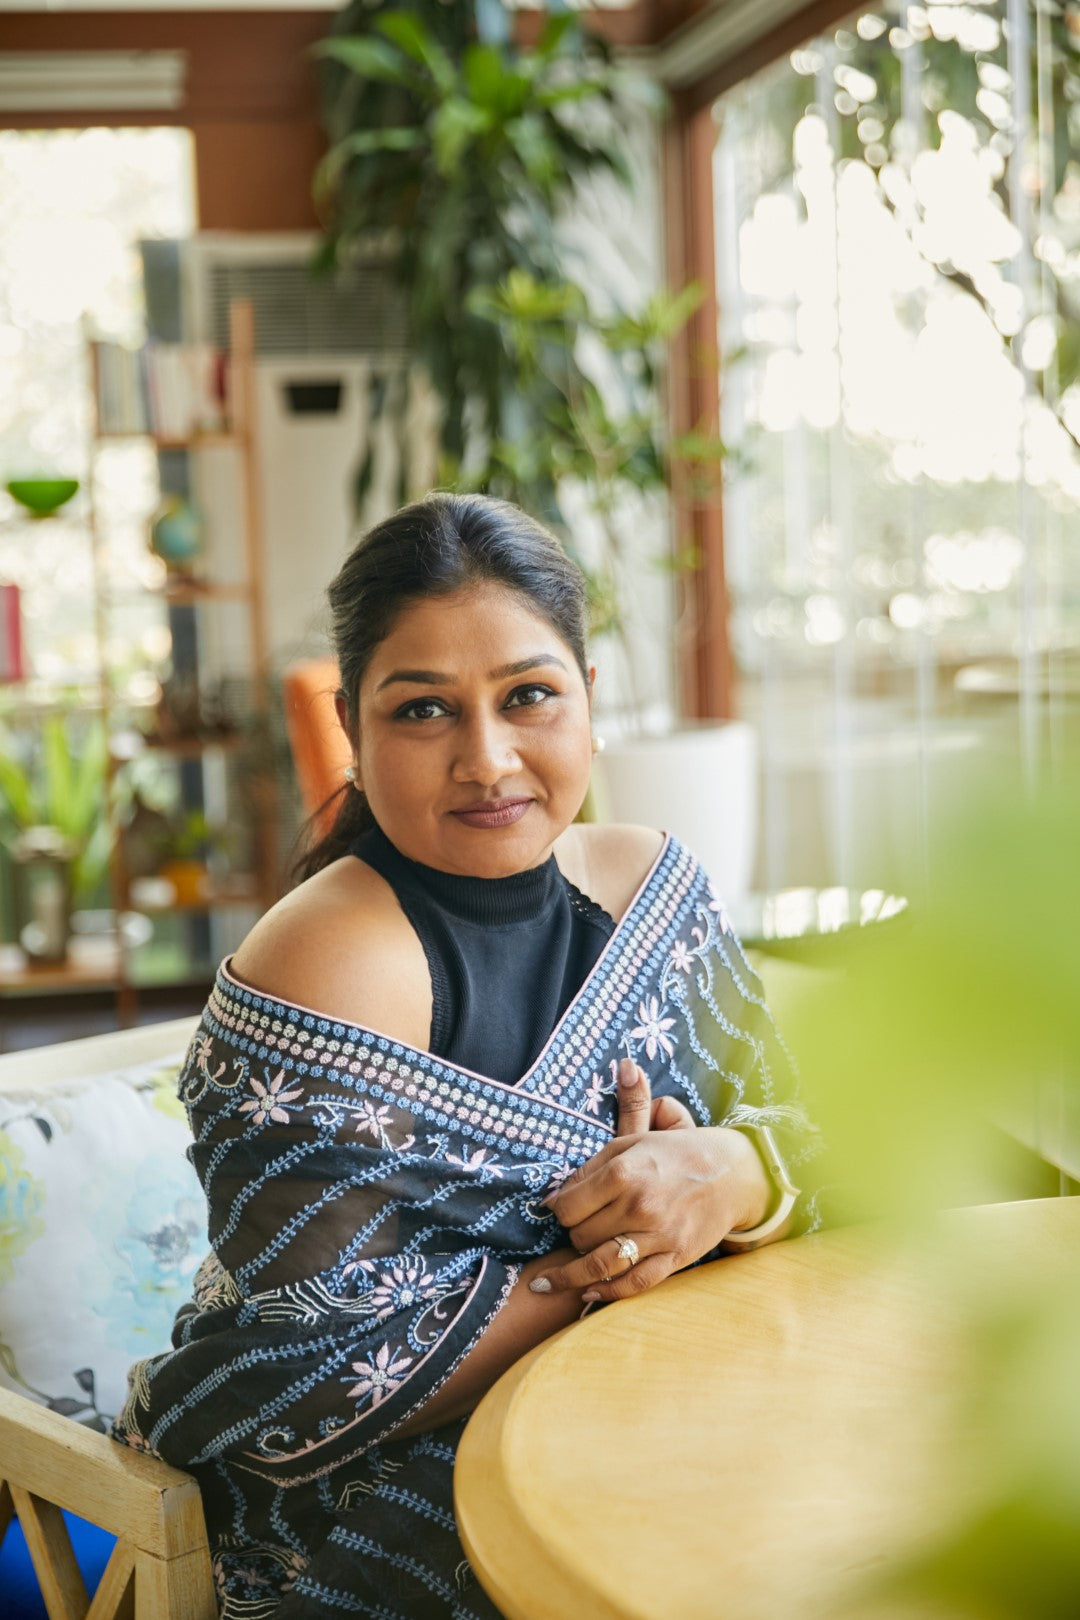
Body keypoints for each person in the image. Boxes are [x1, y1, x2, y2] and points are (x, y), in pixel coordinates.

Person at [111, 492, 825, 1619]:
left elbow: (830, 1130)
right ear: (354, 727)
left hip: (675, 1399)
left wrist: (731, 1174)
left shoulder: (653, 890)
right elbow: (313, 1377)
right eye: (425, 711)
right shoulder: (327, 961)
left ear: (590, 701)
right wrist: (617, 1262)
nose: (489, 762)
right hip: (386, 1505)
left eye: (529, 696)